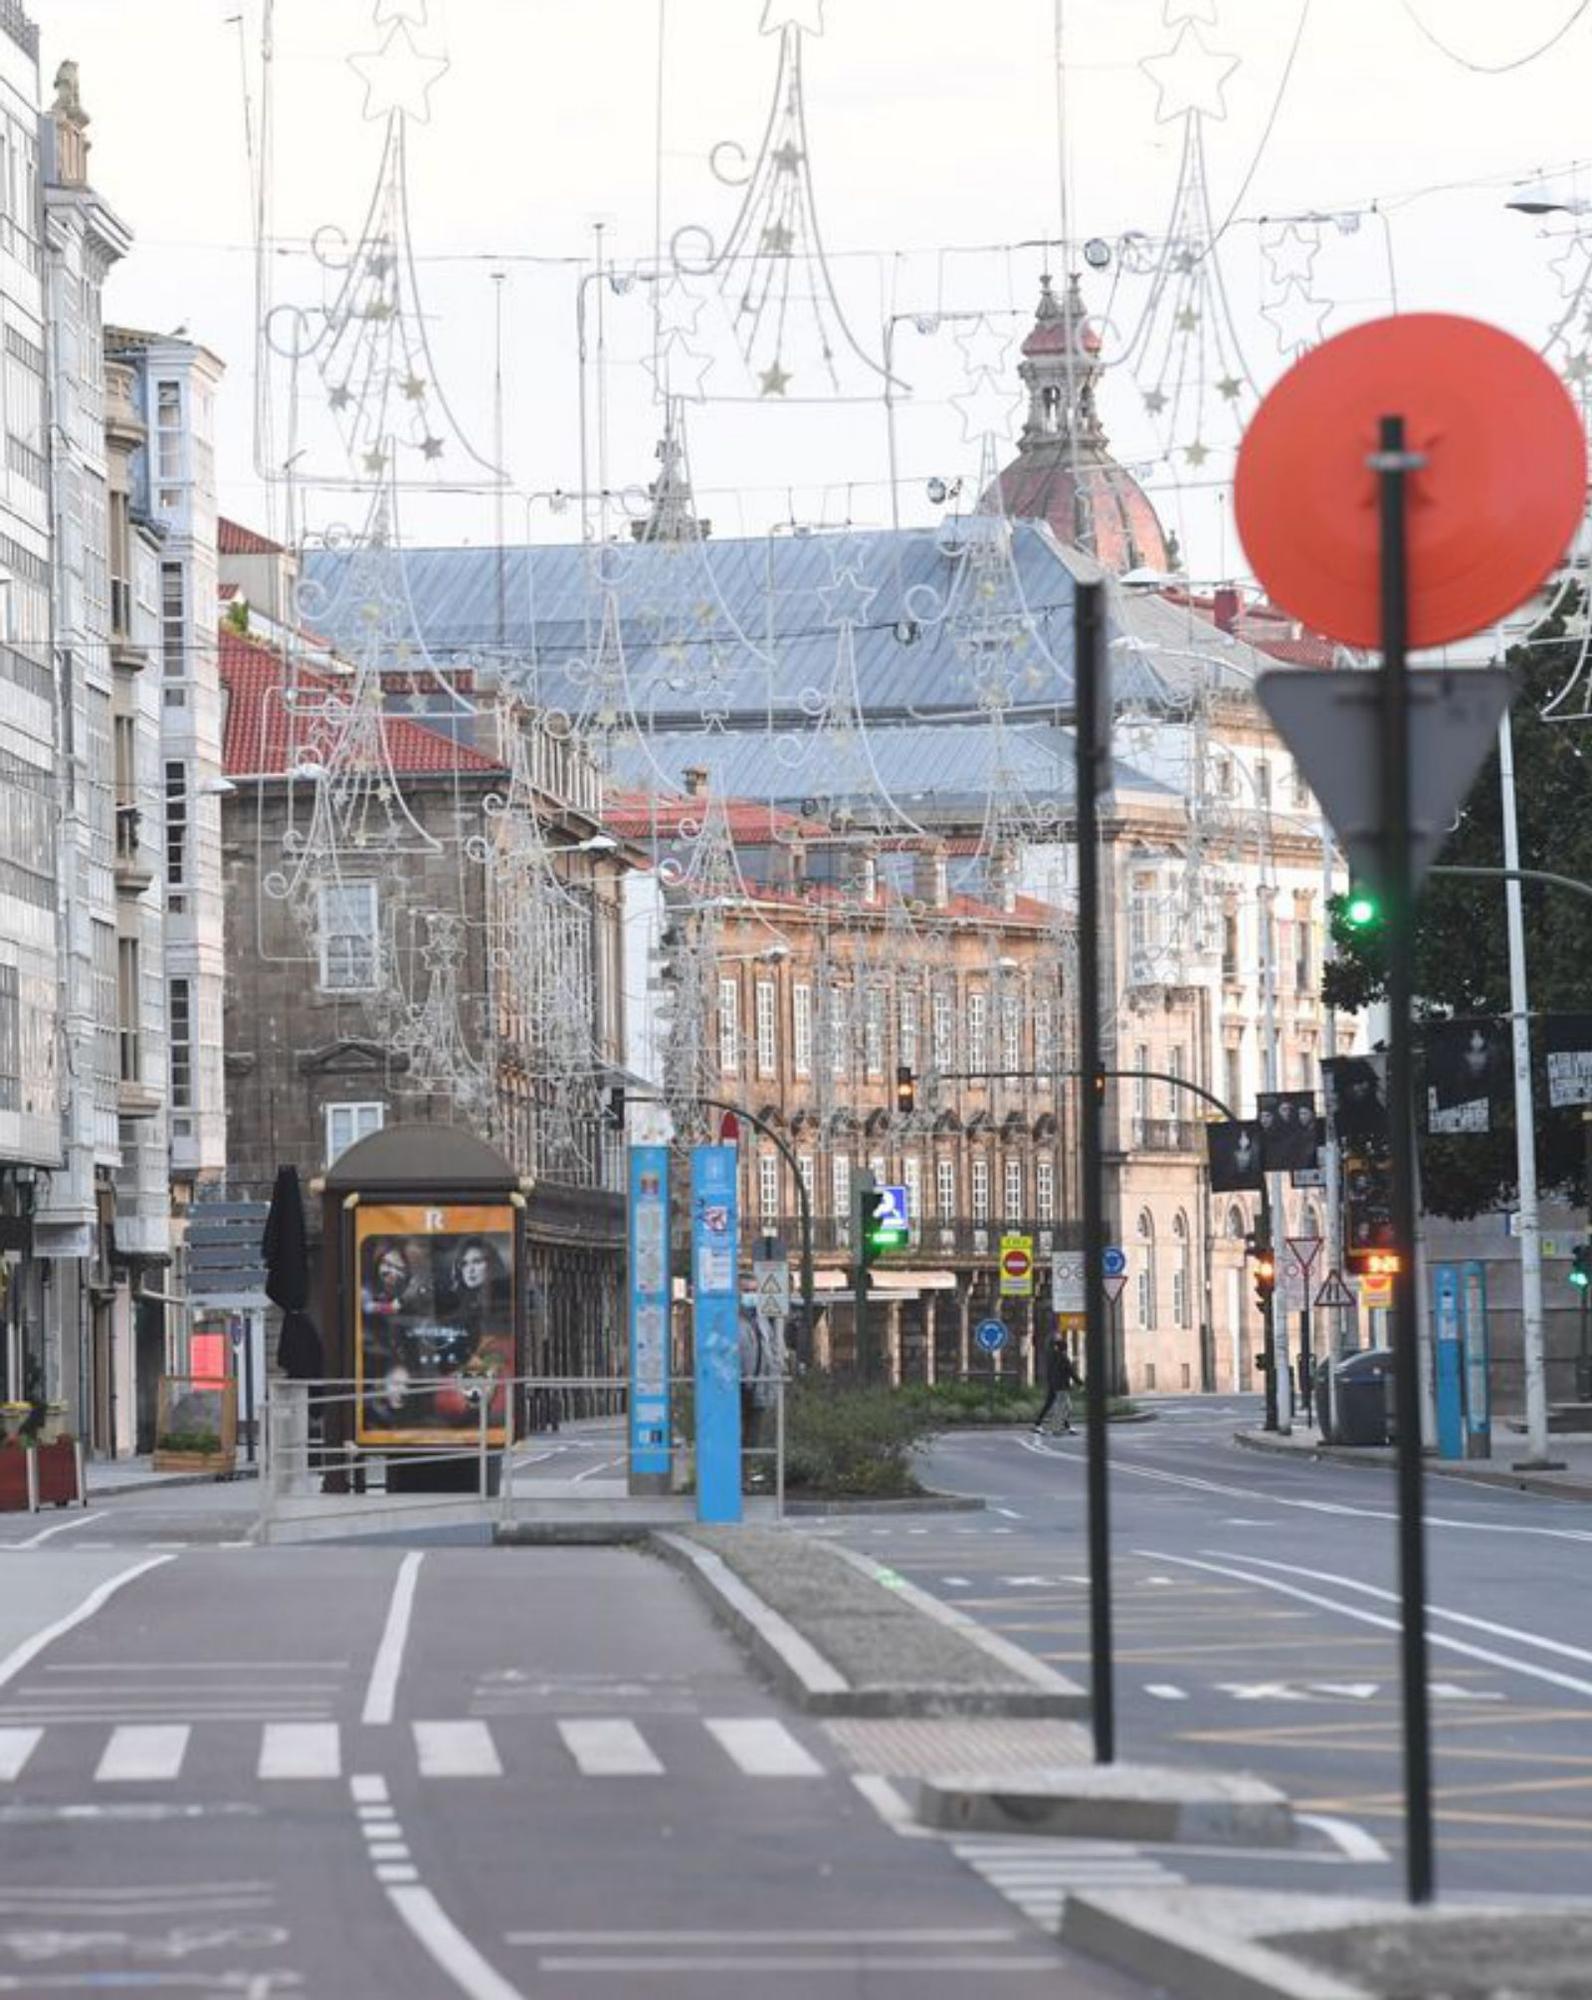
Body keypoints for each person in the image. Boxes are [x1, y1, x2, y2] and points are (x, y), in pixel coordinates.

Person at [1032, 1331, 1079, 1436]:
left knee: (1050, 1405)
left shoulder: (1052, 1356)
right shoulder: (1063, 1358)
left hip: (1053, 1385)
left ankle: (1040, 1424)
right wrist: (1080, 1383)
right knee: (1065, 1407)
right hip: (1061, 1386)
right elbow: (1071, 1372)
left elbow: (1051, 1371)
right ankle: (1057, 1427)